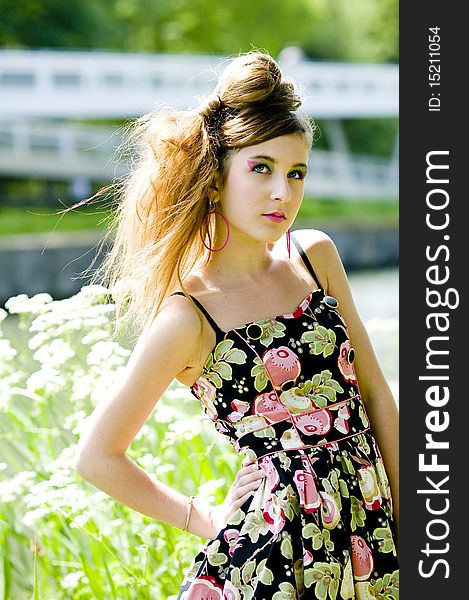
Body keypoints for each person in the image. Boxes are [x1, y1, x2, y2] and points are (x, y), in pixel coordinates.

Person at [74, 51, 399, 599]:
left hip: (370, 532)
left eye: (296, 173)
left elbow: (375, 393)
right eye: (261, 168)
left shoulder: (314, 257)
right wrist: (203, 517)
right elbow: (97, 456)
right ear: (216, 179)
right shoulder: (187, 317)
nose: (283, 192)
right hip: (270, 555)